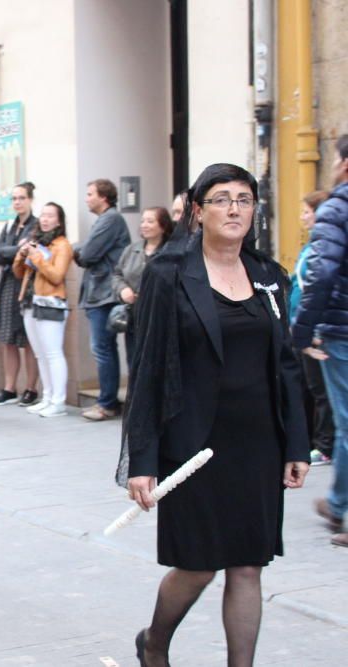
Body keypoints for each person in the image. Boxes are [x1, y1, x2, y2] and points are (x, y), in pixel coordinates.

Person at [122, 163, 310, 666]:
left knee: (248, 566)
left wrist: (296, 443)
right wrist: (143, 457)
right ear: (198, 212)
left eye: (244, 199)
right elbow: (148, 369)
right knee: (198, 566)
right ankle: (155, 642)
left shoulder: (270, 276)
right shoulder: (169, 274)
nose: (234, 209)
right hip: (192, 444)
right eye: (222, 199)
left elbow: (287, 364)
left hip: (258, 443)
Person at [294, 134, 348, 549]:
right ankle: (337, 502)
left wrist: (301, 329)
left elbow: (322, 272)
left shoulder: (337, 208)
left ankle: (340, 504)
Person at [75, 179, 131, 421]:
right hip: (99, 292)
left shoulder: (110, 219)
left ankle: (107, 402)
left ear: (104, 197)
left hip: (105, 294)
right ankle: (108, 400)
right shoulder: (105, 220)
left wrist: (77, 251)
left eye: (90, 194)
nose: (86, 198)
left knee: (102, 348)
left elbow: (87, 254)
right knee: (104, 348)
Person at [13, 202, 73, 417]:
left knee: (53, 353)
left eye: (50, 216)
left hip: (51, 303)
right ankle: (47, 397)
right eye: (43, 215)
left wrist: (37, 257)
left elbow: (56, 276)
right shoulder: (36, 242)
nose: (45, 219)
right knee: (40, 354)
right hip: (30, 302)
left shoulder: (62, 245)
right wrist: (21, 255)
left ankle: (59, 401)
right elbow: (19, 273)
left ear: (59, 220)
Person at [289, 190, 334, 467]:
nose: (303, 217)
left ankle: (326, 444)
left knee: (322, 389)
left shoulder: (326, 246)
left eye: (307, 211)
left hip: (316, 331)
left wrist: (313, 329)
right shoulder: (312, 246)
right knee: (308, 387)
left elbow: (319, 288)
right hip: (302, 328)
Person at [0, 182, 40, 407]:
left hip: (28, 285)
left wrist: (14, 252)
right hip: (7, 285)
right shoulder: (9, 225)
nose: (17, 202)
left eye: (21, 198)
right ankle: (9, 388)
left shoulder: (37, 225)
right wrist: (14, 251)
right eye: (14, 198)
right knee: (7, 338)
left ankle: (31, 388)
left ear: (30, 200)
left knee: (29, 340)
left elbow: (30, 250)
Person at [112, 206, 174, 364]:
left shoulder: (171, 252)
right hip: (134, 316)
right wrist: (122, 289)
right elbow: (117, 274)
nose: (144, 225)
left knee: (156, 362)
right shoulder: (132, 250)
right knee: (134, 360)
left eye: (150, 221)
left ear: (163, 226)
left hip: (159, 317)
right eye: (143, 221)